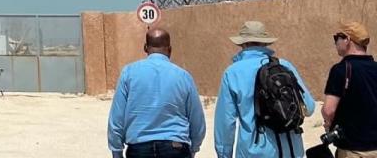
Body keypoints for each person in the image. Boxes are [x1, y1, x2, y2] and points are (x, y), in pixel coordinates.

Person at [214, 21, 316, 158]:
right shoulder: (284, 66)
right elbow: (309, 107)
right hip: (291, 151)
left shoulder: (233, 73)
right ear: (266, 43)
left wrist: (223, 154)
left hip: (254, 152)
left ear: (242, 44)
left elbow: (225, 122)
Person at [107, 29, 205, 158]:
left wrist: (116, 150)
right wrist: (193, 148)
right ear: (170, 49)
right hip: (175, 148)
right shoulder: (183, 76)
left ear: (145, 48)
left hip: (139, 148)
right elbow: (196, 118)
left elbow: (117, 117)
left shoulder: (129, 73)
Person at [322, 22, 377, 158]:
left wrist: (328, 122)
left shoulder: (341, 70)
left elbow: (329, 110)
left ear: (347, 39)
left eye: (336, 38)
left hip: (353, 150)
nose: (335, 43)